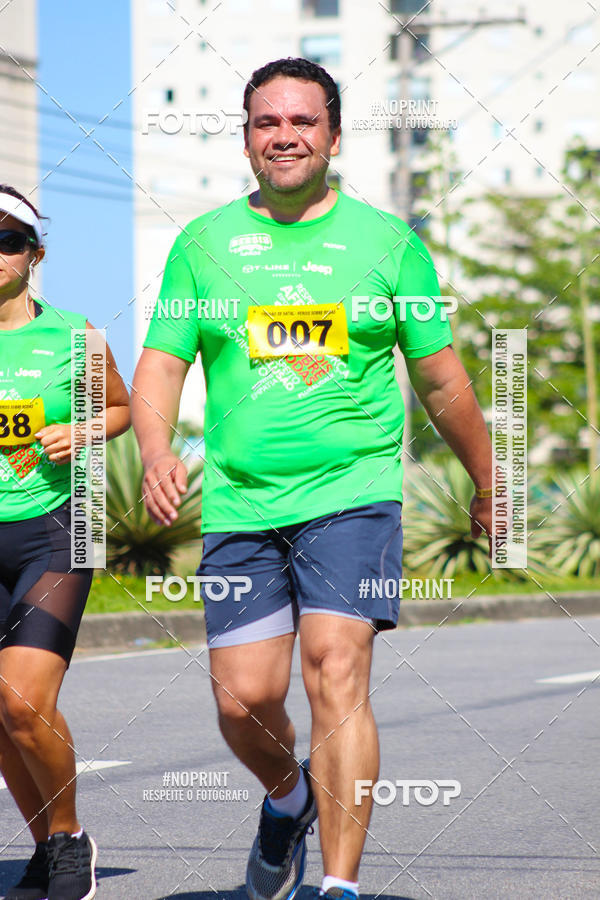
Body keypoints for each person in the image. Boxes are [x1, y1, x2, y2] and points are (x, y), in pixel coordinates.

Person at [132, 58, 493, 900]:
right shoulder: (204, 245)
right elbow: (158, 372)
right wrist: (155, 452)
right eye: (267, 123)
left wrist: (487, 480)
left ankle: (337, 884)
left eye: (302, 121)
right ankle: (287, 797)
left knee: (336, 665)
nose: (285, 136)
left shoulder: (389, 244)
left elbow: (442, 380)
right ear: (248, 138)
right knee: (242, 701)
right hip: (239, 499)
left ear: (334, 133)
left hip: (353, 491)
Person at [0, 185, 130, 900]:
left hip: (55, 528)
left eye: (9, 240)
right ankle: (45, 845)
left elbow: (118, 409)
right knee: (0, 715)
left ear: (34, 255)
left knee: (22, 701)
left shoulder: (72, 336)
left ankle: (70, 838)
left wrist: (79, 431)